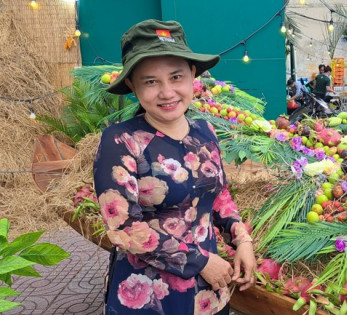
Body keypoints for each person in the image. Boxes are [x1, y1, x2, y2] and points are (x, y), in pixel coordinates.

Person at [94, 19, 256, 315]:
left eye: (176, 77)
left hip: (209, 294)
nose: (167, 92)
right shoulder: (122, 141)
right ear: (132, 84)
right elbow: (124, 227)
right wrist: (200, 261)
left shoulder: (205, 132)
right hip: (148, 297)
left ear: (193, 74)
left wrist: (241, 239)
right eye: (151, 81)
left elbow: (219, 195)